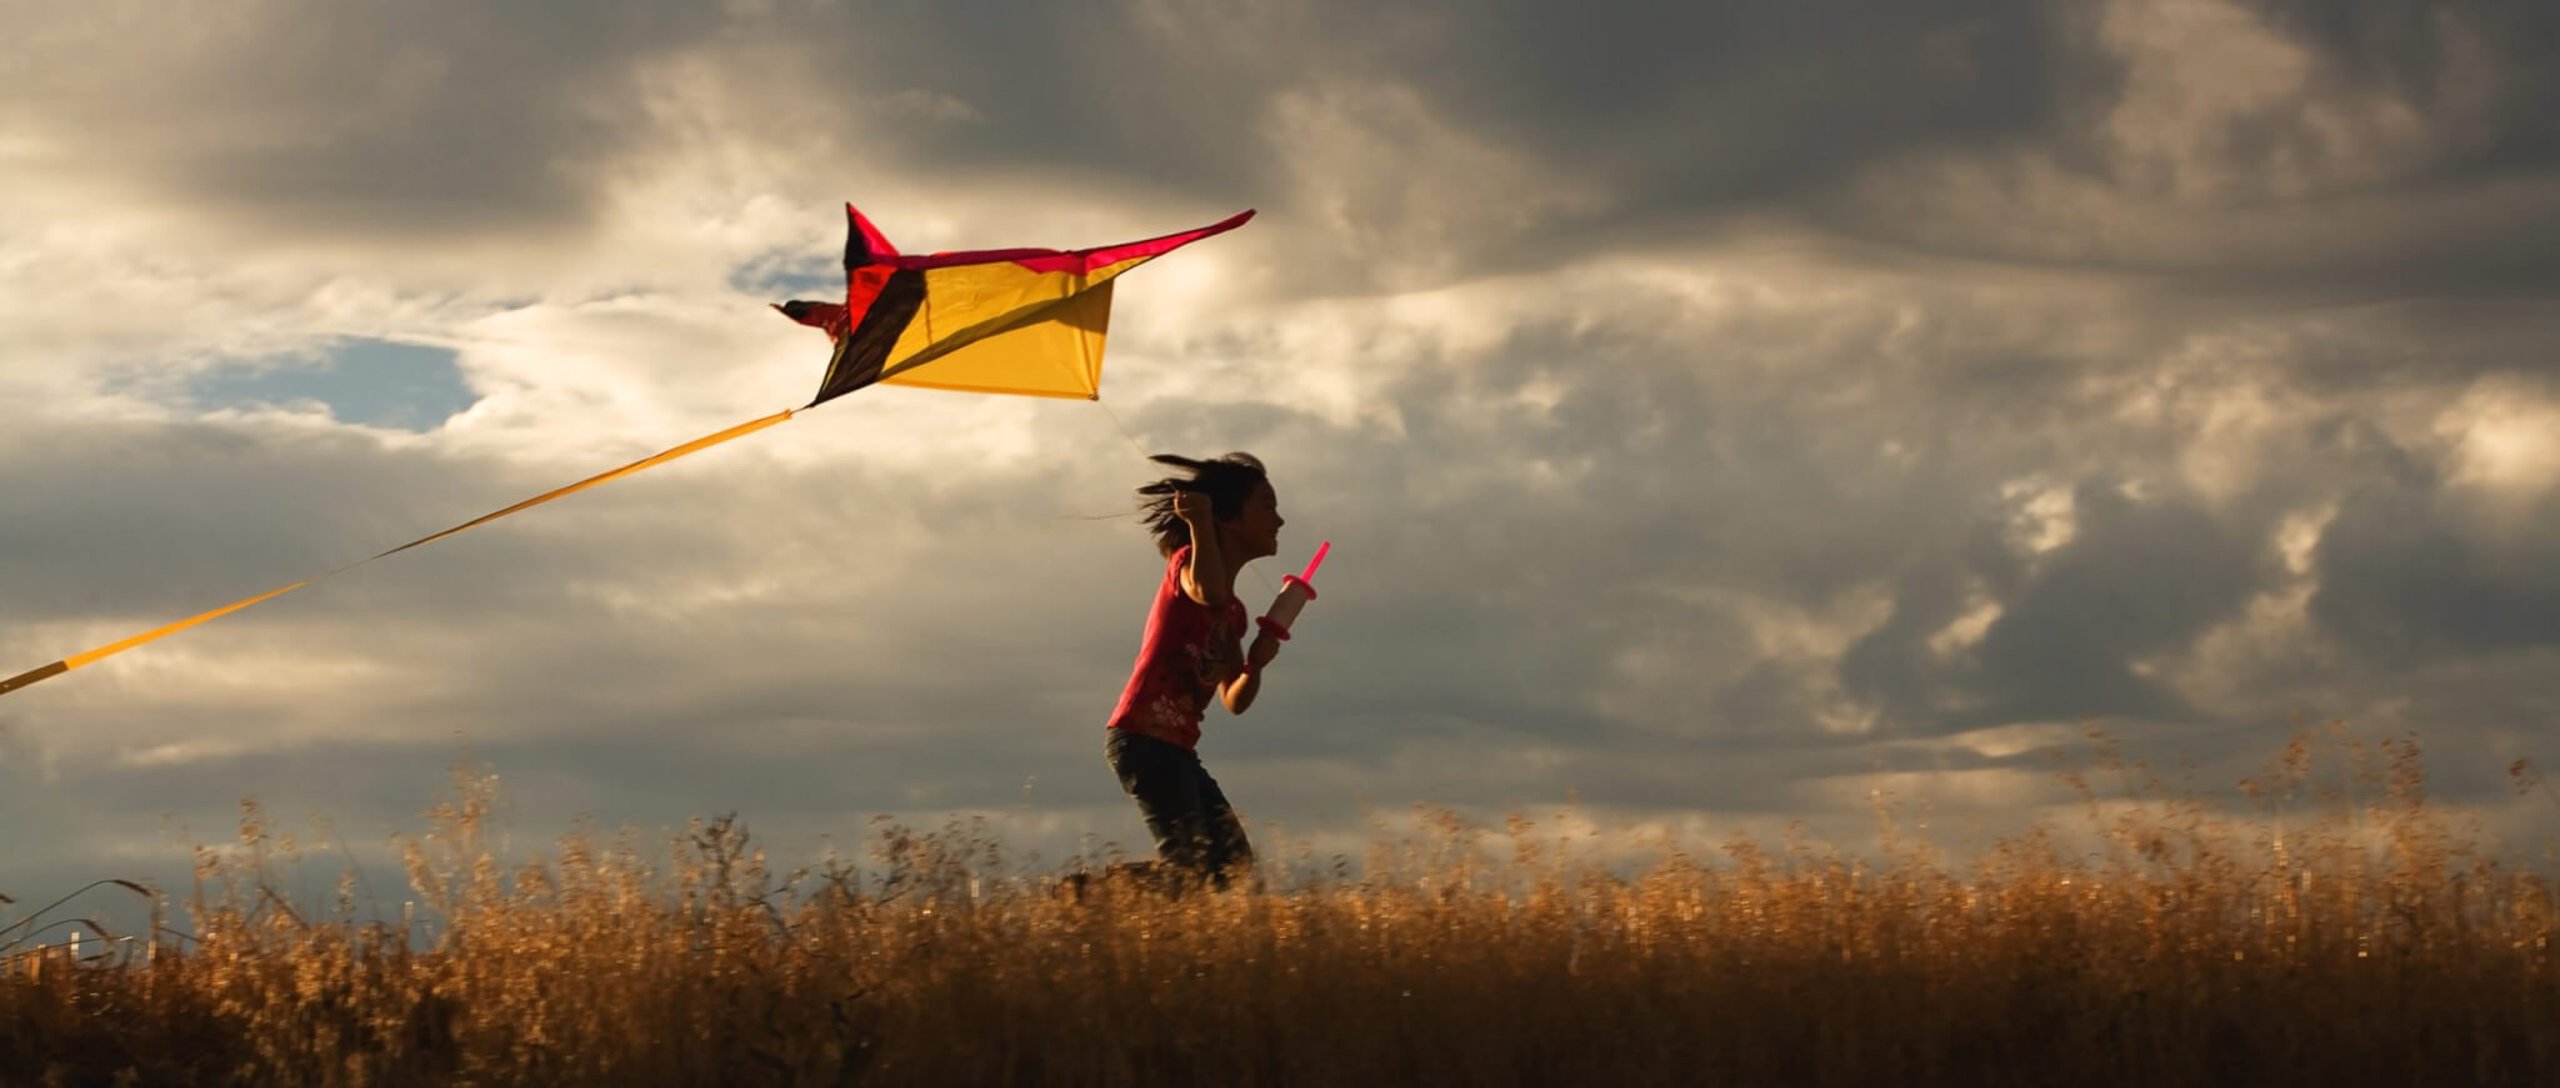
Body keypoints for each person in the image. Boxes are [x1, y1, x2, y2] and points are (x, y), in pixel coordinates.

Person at [1102, 452, 1286, 889]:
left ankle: (1091, 897)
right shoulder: (1187, 563)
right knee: (1188, 870)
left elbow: (1233, 699)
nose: (1279, 521)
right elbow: (1207, 592)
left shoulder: (1235, 614)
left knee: (1233, 869)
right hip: (1143, 741)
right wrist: (1199, 526)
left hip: (1176, 750)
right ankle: (1083, 895)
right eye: (1267, 506)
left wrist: (1256, 664)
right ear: (1228, 517)